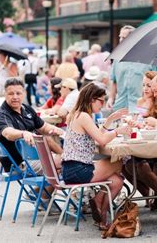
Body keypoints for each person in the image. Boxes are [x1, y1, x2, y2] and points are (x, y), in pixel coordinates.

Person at [61, 82, 130, 229]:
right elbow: (102, 141)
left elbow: (97, 135)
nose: (102, 104)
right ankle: (99, 203)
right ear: (92, 99)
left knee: (117, 181)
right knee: (118, 162)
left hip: (72, 169)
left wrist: (110, 120)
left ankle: (101, 216)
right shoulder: (84, 116)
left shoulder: (77, 114)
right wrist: (119, 131)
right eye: (101, 101)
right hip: (78, 170)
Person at [0, 78, 64, 172]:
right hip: (17, 163)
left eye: (18, 93)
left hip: (35, 157)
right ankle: (67, 159)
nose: (15, 97)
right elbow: (8, 133)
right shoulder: (2, 114)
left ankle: (66, 160)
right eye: (11, 94)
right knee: (65, 164)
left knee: (61, 170)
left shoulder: (26, 108)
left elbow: (43, 127)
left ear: (24, 94)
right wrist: (23, 133)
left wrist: (56, 130)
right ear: (5, 94)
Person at [107, 25, 157, 112]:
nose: (121, 40)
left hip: (141, 107)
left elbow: (155, 81)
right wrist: (111, 98)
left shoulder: (148, 58)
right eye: (120, 37)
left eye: (124, 37)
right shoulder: (117, 58)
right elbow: (114, 81)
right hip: (120, 106)